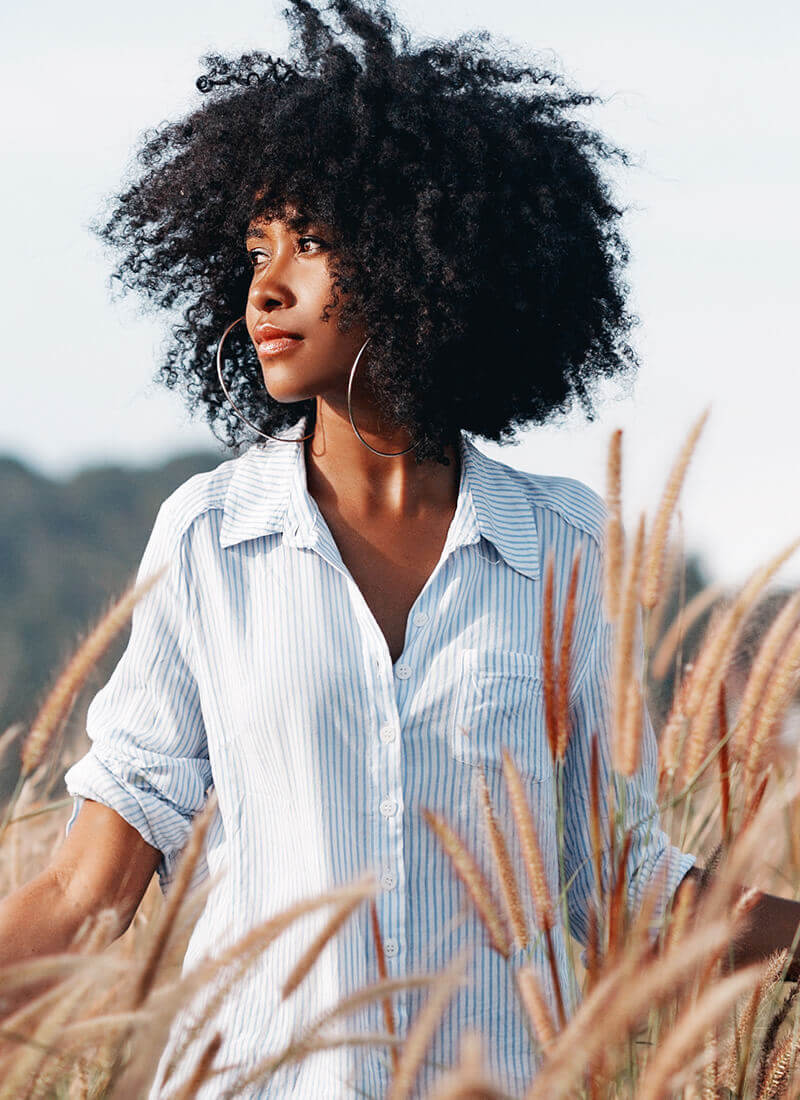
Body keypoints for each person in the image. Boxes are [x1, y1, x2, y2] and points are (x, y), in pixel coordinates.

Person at [1, 1, 798, 1096]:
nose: (266, 285)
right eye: (254, 250)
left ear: (430, 251)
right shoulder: (211, 535)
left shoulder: (560, 542)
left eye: (312, 243)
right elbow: (89, 889)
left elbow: (618, 879)